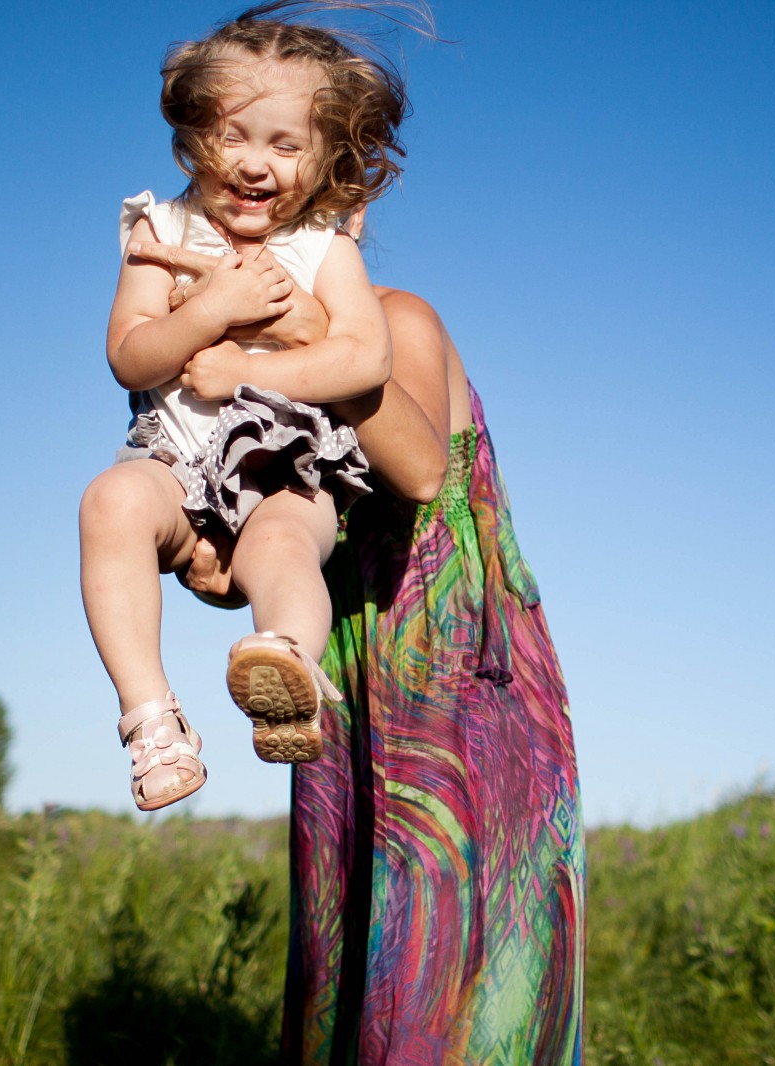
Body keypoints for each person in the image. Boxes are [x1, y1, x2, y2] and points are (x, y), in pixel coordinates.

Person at [131, 211, 586, 1061]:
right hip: (342, 685)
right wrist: (213, 560)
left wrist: (304, 327)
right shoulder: (249, 366)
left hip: (459, 687)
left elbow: (418, 473)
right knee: (351, 968)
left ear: (349, 208)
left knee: (453, 984)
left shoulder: (395, 318)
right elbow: (277, 550)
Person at [80, 2, 410, 811]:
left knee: (287, 547)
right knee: (110, 502)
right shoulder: (161, 230)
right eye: (233, 137)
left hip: (284, 466)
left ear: (327, 153)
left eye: (285, 144)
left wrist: (241, 377)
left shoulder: (325, 247)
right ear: (194, 134)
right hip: (174, 459)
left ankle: (287, 664)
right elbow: (128, 351)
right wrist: (206, 311)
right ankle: (152, 719)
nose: (256, 164)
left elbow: (366, 357)